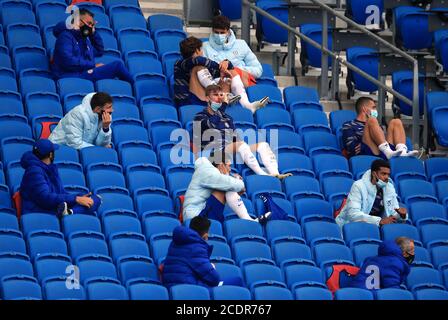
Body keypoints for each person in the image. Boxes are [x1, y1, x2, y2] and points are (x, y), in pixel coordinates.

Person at [193, 84, 291, 179]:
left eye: (220, 95)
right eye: (215, 95)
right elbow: (211, 124)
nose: (219, 98)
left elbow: (234, 136)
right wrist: (222, 107)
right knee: (240, 145)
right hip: (214, 152)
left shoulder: (227, 117)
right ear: (207, 98)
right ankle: (262, 175)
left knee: (263, 145)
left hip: (231, 149)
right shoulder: (200, 116)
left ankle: (275, 174)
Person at [174, 36, 269, 113]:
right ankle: (223, 96)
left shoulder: (201, 64)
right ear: (197, 51)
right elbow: (198, 60)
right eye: (201, 50)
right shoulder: (180, 64)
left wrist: (226, 63)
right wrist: (220, 65)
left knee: (229, 72)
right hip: (189, 102)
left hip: (207, 98)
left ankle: (247, 105)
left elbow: (225, 68)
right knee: (197, 68)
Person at [182, 148, 271, 224]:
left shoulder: (208, 171)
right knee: (227, 187)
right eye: (228, 166)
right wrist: (236, 181)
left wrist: (233, 182)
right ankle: (248, 221)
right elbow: (237, 185)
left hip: (200, 212)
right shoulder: (207, 172)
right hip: (194, 217)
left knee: (227, 186)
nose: (230, 169)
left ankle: (248, 220)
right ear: (221, 165)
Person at [19, 139, 101, 217]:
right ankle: (68, 213)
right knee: (86, 204)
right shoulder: (34, 172)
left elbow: (61, 193)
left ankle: (69, 212)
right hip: (41, 212)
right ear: (51, 154)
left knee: (95, 199)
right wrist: (75, 199)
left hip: (56, 206)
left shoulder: (50, 168)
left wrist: (79, 197)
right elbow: (45, 199)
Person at [51, 8, 133, 83]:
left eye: (93, 24)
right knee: (117, 66)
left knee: (115, 76)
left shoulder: (83, 38)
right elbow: (68, 62)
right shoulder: (65, 36)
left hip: (80, 73)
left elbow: (99, 50)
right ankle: (134, 85)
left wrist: (93, 33)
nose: (90, 27)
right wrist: (92, 66)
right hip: (66, 75)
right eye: (89, 23)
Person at [162, 216, 244, 289]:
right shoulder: (196, 248)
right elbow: (214, 279)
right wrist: (212, 267)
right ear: (205, 235)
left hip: (172, 285)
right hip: (191, 288)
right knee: (238, 281)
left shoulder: (176, 242)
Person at [336, 159, 408, 227]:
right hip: (351, 226)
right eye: (383, 174)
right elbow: (353, 214)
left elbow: (391, 213)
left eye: (388, 174)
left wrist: (401, 215)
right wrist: (379, 221)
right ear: (374, 174)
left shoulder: (389, 187)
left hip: (376, 227)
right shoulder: (358, 186)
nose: (387, 177)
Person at [342, 97, 419, 159]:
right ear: (364, 109)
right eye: (373, 107)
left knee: (396, 121)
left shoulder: (377, 124)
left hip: (383, 151)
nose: (375, 110)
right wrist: (371, 137)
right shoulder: (349, 125)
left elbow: (381, 139)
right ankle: (387, 151)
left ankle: (402, 152)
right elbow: (352, 148)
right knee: (372, 119)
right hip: (367, 152)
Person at [203, 15, 263, 87]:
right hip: (218, 85)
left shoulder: (241, 44)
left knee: (233, 75)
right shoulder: (205, 47)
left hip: (241, 81)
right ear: (212, 31)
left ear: (228, 31)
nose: (219, 35)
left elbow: (258, 70)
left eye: (222, 33)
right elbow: (204, 73)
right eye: (216, 32)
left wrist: (234, 69)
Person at [49, 92, 113, 149]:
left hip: (83, 150)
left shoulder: (105, 117)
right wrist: (97, 149)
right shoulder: (77, 114)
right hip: (58, 148)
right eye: (109, 107)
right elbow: (74, 143)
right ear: (98, 109)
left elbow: (101, 145)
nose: (112, 110)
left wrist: (105, 128)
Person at [345, 237, 414, 290]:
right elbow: (392, 287)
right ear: (404, 253)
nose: (414, 254)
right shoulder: (394, 263)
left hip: (358, 290)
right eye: (412, 251)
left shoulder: (375, 258)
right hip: (364, 294)